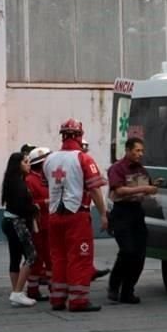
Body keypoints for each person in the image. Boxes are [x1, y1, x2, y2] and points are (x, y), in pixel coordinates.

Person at [43, 119, 108, 312]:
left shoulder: (49, 159)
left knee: (58, 257)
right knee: (79, 257)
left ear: (62, 135)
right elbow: (95, 190)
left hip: (54, 215)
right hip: (76, 215)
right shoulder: (84, 158)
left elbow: (47, 186)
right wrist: (103, 213)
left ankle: (57, 299)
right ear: (79, 136)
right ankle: (78, 300)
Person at [107, 137, 159, 304]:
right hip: (122, 213)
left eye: (141, 151)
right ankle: (114, 285)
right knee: (127, 251)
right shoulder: (117, 168)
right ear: (128, 150)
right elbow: (119, 190)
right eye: (137, 150)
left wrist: (153, 186)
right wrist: (144, 188)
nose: (140, 154)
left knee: (139, 254)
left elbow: (147, 186)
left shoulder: (141, 170)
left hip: (137, 212)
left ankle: (128, 290)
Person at [0, 152, 38, 308]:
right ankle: (17, 292)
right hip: (17, 222)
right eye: (26, 162)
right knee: (31, 255)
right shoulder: (18, 184)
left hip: (10, 221)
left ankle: (16, 292)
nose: (28, 165)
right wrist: (34, 208)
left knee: (15, 257)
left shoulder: (11, 181)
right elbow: (21, 206)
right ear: (18, 164)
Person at [25, 146, 52, 301]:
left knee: (50, 258)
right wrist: (46, 202)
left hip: (50, 222)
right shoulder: (30, 180)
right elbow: (30, 202)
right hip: (38, 224)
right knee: (38, 257)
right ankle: (33, 289)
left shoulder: (46, 178)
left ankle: (53, 287)